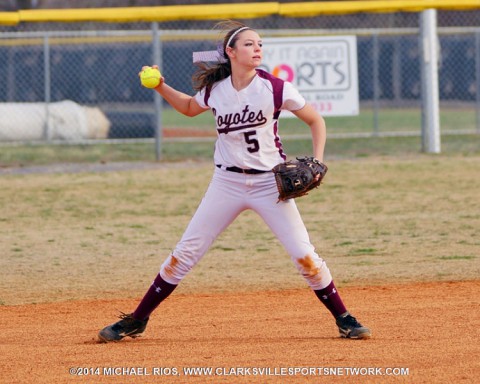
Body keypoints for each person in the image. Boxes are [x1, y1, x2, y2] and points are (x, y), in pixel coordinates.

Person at [98, 21, 371, 342]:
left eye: (260, 44)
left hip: (271, 186)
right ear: (231, 52)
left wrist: (319, 158)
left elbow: (316, 120)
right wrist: (159, 85)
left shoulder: (275, 88)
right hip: (226, 183)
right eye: (249, 44)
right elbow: (188, 108)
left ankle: (344, 319)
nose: (258, 49)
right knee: (184, 253)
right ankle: (137, 319)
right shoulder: (216, 91)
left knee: (304, 255)